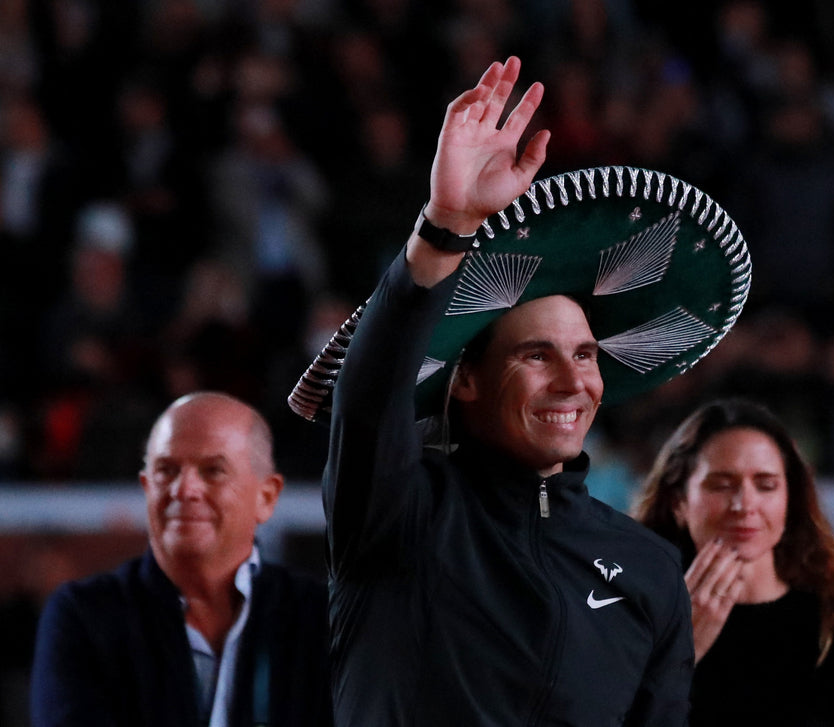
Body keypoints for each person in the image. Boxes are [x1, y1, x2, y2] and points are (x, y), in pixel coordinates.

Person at [296, 56, 753, 725]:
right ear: (468, 380)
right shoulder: (398, 511)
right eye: (537, 355)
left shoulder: (651, 569)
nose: (573, 381)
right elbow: (368, 399)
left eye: (586, 354)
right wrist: (445, 225)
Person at [30, 391, 332, 727]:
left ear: (266, 496)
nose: (184, 489)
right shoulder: (84, 617)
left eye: (213, 470)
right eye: (166, 470)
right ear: (146, 487)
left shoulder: (320, 620)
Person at [634, 398, 834, 727]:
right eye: (722, 485)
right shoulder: (630, 626)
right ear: (679, 502)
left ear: (790, 499)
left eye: (766, 485)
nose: (745, 504)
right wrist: (678, 654)